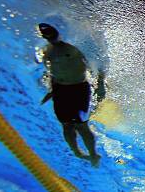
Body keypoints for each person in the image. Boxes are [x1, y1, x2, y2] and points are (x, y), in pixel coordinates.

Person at [37, 23, 106, 166]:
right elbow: (53, 74)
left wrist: (100, 83)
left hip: (79, 89)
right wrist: (52, 91)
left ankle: (93, 154)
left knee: (81, 125)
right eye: (46, 35)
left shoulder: (74, 48)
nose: (49, 37)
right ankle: (77, 152)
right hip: (61, 90)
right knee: (66, 125)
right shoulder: (47, 52)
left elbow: (97, 64)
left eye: (50, 34)